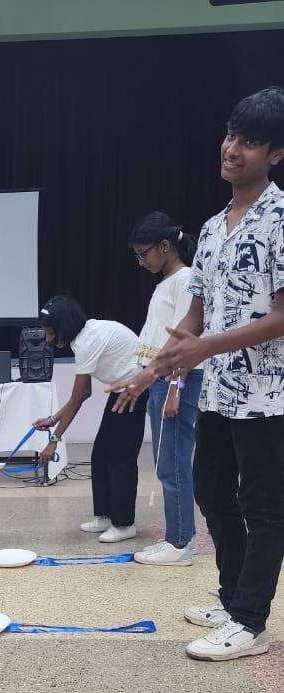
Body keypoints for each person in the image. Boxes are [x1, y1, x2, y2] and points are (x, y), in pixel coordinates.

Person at [109, 86, 284, 661]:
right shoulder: (211, 229)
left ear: (275, 154)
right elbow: (192, 321)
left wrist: (204, 346)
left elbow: (282, 316)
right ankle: (234, 600)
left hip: (268, 395)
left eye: (250, 141)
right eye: (231, 135)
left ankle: (251, 623)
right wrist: (151, 372)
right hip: (219, 393)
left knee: (264, 507)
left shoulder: (280, 219)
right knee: (211, 490)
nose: (232, 148)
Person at [34, 294, 146, 542]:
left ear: (63, 326)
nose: (47, 337)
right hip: (120, 390)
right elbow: (82, 394)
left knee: (120, 459)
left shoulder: (87, 342)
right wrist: (53, 419)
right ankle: (105, 516)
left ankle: (124, 524)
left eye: (50, 331)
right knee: (101, 455)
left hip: (136, 390)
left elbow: (79, 396)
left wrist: (54, 440)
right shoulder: (84, 337)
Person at [126, 212, 203, 566]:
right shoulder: (166, 282)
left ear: (166, 246)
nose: (141, 262)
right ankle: (176, 536)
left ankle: (181, 543)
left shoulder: (184, 280)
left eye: (144, 253)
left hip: (178, 380)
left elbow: (186, 338)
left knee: (173, 464)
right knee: (165, 463)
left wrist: (175, 387)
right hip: (163, 381)